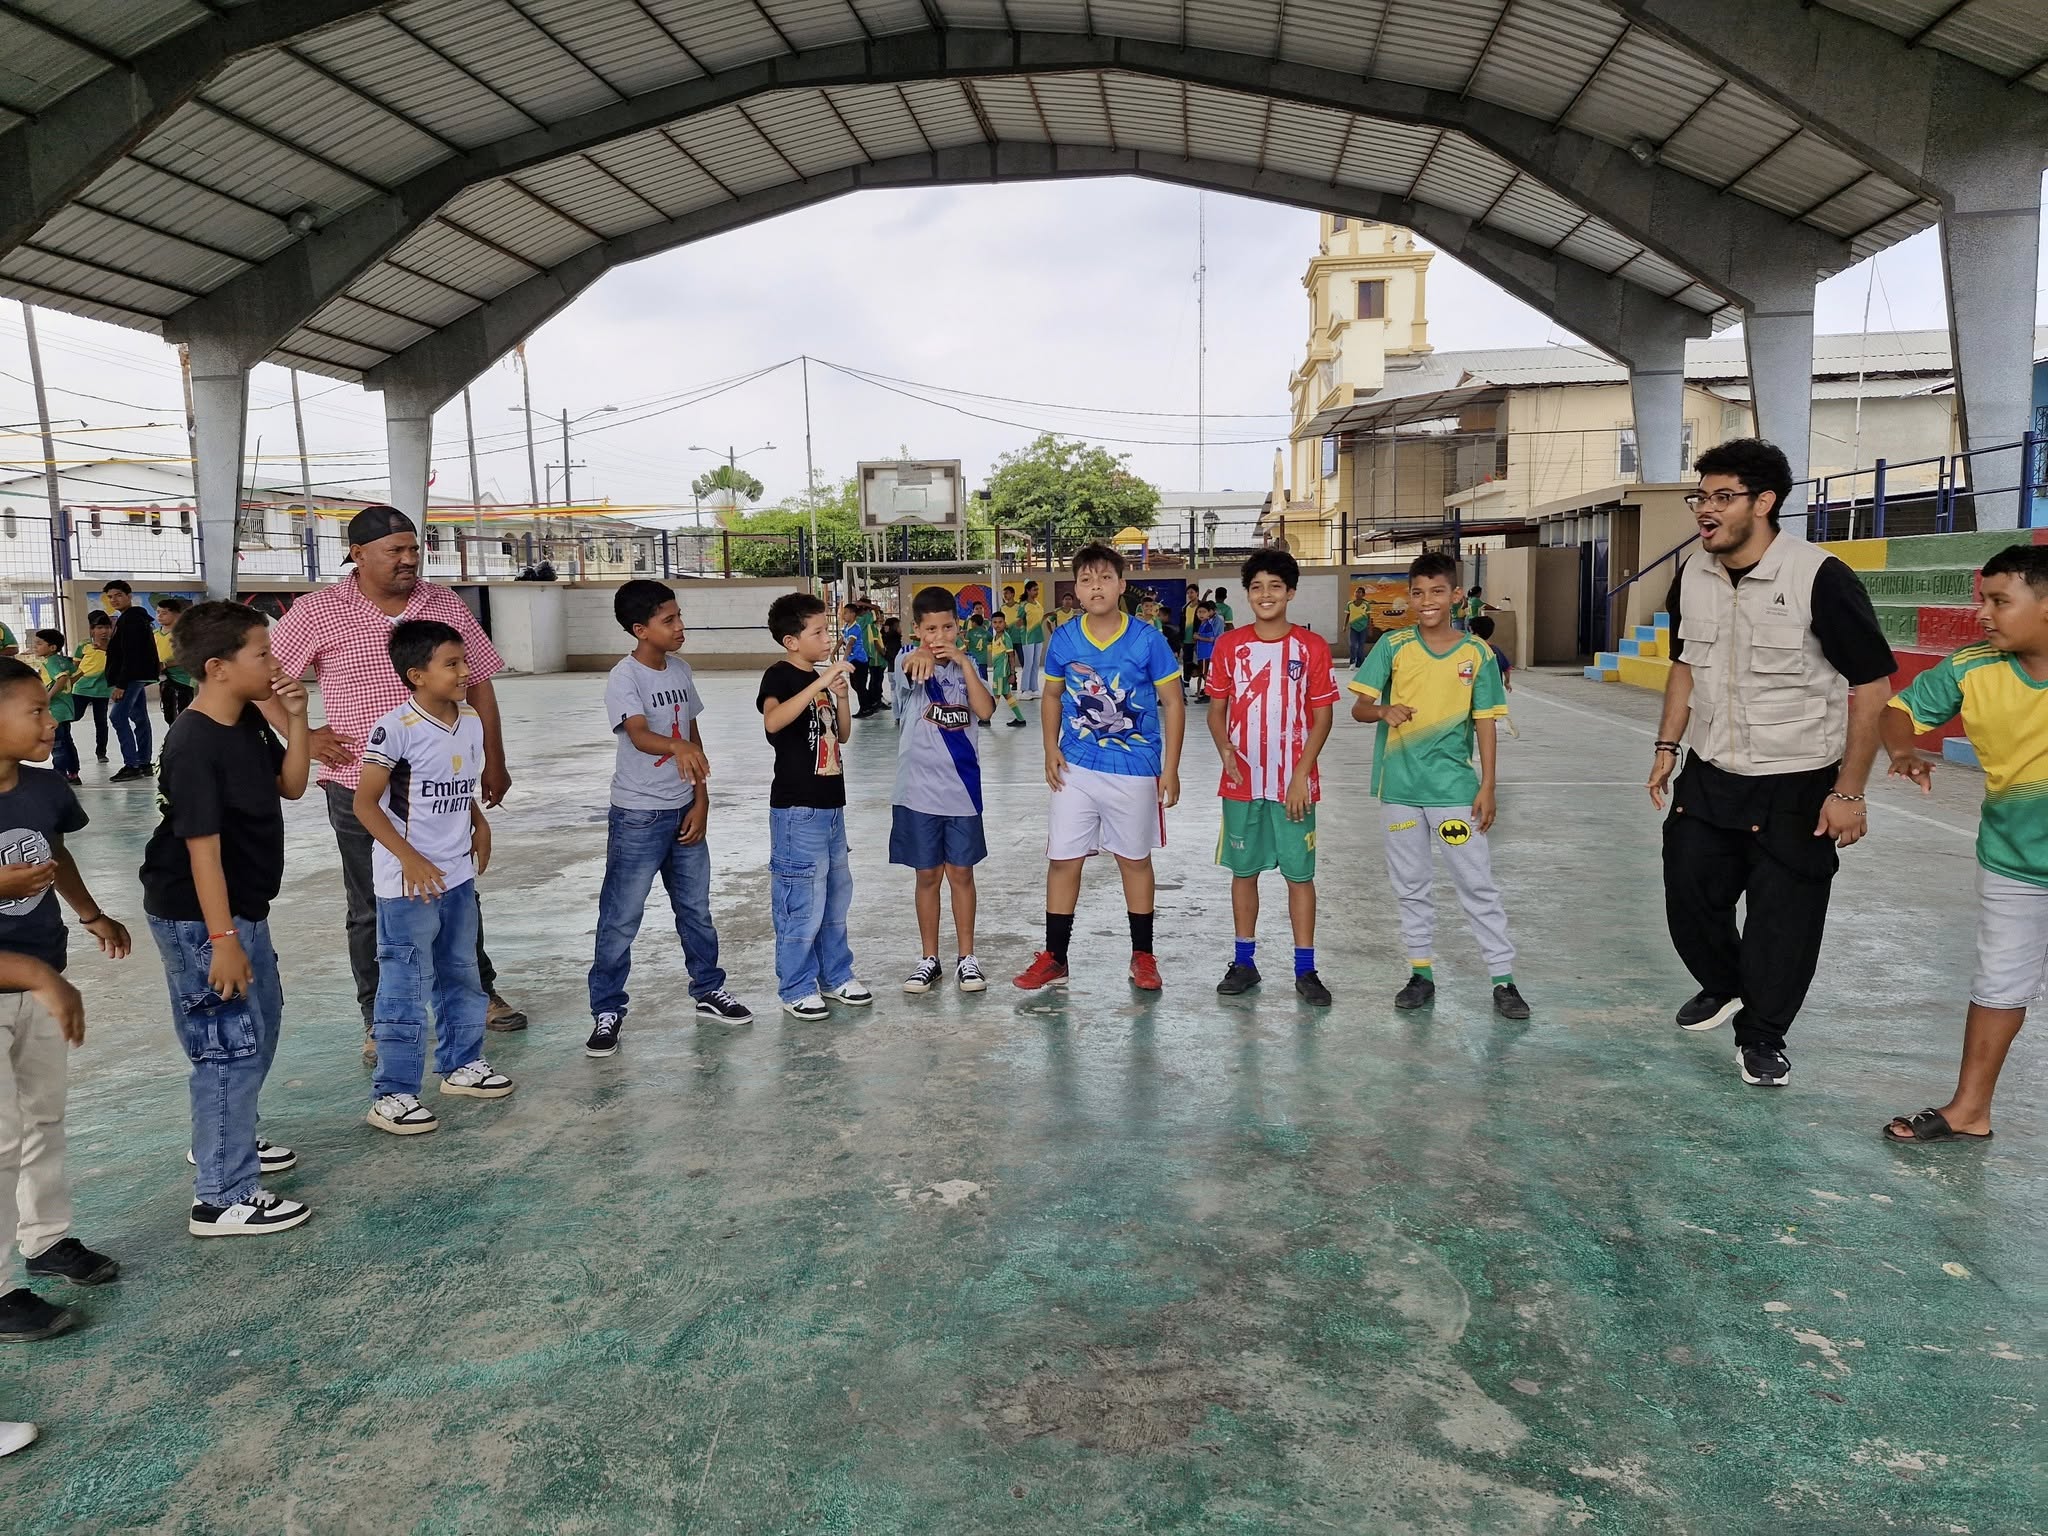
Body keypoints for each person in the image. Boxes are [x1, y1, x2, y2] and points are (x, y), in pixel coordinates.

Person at [1647, 438, 1895, 1088]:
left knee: (1784, 922)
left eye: (1723, 497)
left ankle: (1762, 1037)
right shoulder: (1692, 574)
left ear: (1764, 502)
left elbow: (1871, 688)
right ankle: (1726, 983)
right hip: (1711, 773)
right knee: (1688, 891)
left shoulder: (1819, 577)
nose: (1706, 510)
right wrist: (1667, 747)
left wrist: (1850, 791)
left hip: (1798, 781)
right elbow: (1684, 665)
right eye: (1701, 497)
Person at [267, 506, 527, 1060]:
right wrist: (304, 736)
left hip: (441, 783)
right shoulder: (317, 611)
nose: (409, 560)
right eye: (396, 551)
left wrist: (493, 760)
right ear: (357, 554)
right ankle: (377, 1018)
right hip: (358, 784)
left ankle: (478, 993)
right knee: (371, 904)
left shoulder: (444, 603)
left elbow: (479, 684)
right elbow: (265, 681)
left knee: (457, 889)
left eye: (414, 549)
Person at [139, 601, 313, 1235]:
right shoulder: (193, 743)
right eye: (262, 654)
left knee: (260, 1026)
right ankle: (220, 1195)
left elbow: (291, 786)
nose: (276, 663)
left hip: (242, 908)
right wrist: (222, 940)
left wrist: (297, 719)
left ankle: (226, 1138)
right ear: (217, 668)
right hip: (200, 917)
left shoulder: (245, 720)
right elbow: (201, 852)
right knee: (226, 1047)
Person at [1878, 544, 2048, 1143]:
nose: (1983, 614)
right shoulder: (1971, 667)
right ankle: (1970, 1110)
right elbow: (1899, 710)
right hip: (2013, 860)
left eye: (2000, 601)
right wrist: (1904, 750)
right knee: (1998, 985)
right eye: (1982, 600)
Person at [0, 655, 130, 1342]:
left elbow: (56, 855)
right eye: (34, 710)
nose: (52, 721)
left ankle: (46, 1238)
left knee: (42, 1118)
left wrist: (90, 914)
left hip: (43, 973)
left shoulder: (44, 788)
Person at [1351, 551, 1529, 1021]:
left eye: (1436, 592)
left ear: (1455, 596)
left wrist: (1488, 785)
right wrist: (1383, 710)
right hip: (1400, 791)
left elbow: (1486, 721)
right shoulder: (1393, 646)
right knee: (1411, 885)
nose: (1426, 601)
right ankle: (1421, 973)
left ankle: (1503, 979)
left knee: (1476, 883)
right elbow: (1360, 708)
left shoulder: (1477, 654)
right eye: (1418, 592)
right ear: (1409, 597)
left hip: (1454, 793)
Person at [353, 621, 512, 1136]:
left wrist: (479, 823)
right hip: (408, 884)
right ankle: (392, 1093)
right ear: (416, 675)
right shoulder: (395, 728)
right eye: (452, 664)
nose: (466, 672)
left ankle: (462, 1063)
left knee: (461, 971)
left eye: (465, 661)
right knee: (404, 983)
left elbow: (456, 784)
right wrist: (409, 858)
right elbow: (365, 804)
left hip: (458, 874)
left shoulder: (469, 720)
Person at [585, 581, 752, 1059]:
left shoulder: (680, 669)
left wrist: (701, 799)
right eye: (669, 620)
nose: (680, 627)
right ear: (640, 629)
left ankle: (708, 989)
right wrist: (677, 746)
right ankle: (607, 1009)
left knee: (696, 910)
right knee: (621, 917)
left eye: (680, 617)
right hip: (638, 816)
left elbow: (692, 736)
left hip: (684, 810)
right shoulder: (625, 677)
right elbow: (639, 735)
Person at [1015, 543, 1186, 992]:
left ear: (1121, 585)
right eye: (1087, 580)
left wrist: (1171, 768)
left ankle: (1143, 956)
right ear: (1075, 589)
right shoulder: (1065, 638)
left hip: (1135, 767)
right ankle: (1055, 957)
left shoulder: (1147, 638)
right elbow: (1052, 695)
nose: (1096, 587)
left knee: (1134, 860)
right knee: (1063, 859)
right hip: (1076, 767)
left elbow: (1173, 702)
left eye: (1105, 578)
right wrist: (1049, 748)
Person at [1207, 550, 1338, 1006]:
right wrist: (1225, 748)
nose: (1266, 595)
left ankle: (1306, 969)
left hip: (1294, 787)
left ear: (1291, 592)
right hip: (1242, 783)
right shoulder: (1229, 646)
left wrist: (1301, 774)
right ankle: (1244, 962)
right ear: (1247, 593)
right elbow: (1217, 711)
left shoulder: (1311, 647)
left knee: (1299, 876)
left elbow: (1322, 717)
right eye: (1257, 587)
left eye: (1275, 586)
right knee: (1244, 873)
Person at [758, 594, 870, 1021]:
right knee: (801, 901)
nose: (827, 638)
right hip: (796, 811)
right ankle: (796, 986)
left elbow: (842, 735)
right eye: (818, 632)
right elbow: (773, 722)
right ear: (791, 641)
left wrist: (840, 696)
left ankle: (835, 974)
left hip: (831, 806)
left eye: (827, 630)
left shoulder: (820, 679)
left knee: (835, 897)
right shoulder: (780, 676)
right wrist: (820, 682)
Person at [892, 586, 996, 993]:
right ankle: (928, 958)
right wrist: (918, 655)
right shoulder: (907, 660)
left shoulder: (969, 667)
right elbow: (908, 667)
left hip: (962, 790)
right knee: (927, 875)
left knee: (962, 874)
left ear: (958, 627)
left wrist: (965, 664)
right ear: (917, 630)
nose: (940, 636)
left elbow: (984, 710)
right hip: (918, 792)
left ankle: (967, 958)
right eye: (931, 629)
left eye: (947, 627)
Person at [100, 579, 159, 781]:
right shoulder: (131, 618)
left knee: (117, 717)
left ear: (129, 596)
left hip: (132, 676)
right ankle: (144, 762)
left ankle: (132, 765)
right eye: (110, 597)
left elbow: (131, 654)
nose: (114, 600)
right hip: (137, 675)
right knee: (140, 717)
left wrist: (121, 684)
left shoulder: (131, 619)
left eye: (118, 595)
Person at [29, 632, 78, 785]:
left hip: (55, 710)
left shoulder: (50, 662)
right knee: (67, 742)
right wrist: (66, 690)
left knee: (57, 744)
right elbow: (77, 673)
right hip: (66, 708)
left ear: (52, 647)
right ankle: (73, 773)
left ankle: (60, 774)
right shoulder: (62, 660)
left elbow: (62, 678)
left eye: (39, 644)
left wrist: (48, 696)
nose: (35, 647)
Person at [70, 614, 111, 765]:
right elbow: (74, 666)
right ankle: (63, 742)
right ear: (92, 630)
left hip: (103, 690)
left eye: (107, 627)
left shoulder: (114, 646)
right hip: (81, 688)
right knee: (74, 715)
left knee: (101, 722)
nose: (104, 631)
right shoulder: (84, 645)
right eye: (99, 627)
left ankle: (101, 752)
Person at [154, 596, 196, 724]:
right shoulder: (154, 634)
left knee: (182, 715)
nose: (159, 616)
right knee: (169, 715)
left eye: (164, 613)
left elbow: (190, 656)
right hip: (164, 680)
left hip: (183, 680)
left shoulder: (184, 634)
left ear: (177, 614)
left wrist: (166, 664)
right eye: (158, 612)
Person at [985, 610, 1028, 729]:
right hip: (998, 671)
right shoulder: (995, 638)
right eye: (995, 622)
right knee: (1007, 695)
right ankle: (1020, 719)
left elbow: (1011, 656)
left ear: (1004, 623)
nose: (997, 625)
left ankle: (986, 718)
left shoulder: (1006, 637)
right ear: (992, 624)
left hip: (1001, 673)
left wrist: (1012, 673)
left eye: (1000, 622)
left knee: (996, 696)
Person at [1014, 580, 1047, 698]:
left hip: (1038, 636)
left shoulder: (1038, 604)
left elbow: (1039, 619)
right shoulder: (1023, 605)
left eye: (1037, 589)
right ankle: (1024, 690)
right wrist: (1020, 623)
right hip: (1028, 637)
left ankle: (1034, 688)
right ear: (1028, 591)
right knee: (1028, 663)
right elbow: (1018, 622)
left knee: (1036, 663)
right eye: (1034, 590)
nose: (1037, 592)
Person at [1470, 614, 1513, 692]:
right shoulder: (1495, 649)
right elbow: (1506, 668)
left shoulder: (1472, 650)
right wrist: (1507, 682)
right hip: (1495, 690)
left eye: (1470, 631)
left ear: (1476, 633)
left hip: (1480, 691)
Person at [1192, 602, 1225, 694]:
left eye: (1204, 612)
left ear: (1209, 612)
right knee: (1203, 673)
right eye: (1199, 612)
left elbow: (1211, 639)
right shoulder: (1202, 624)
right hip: (1202, 653)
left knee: (1205, 674)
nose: (1201, 614)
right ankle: (1205, 691)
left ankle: (1209, 693)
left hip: (1207, 653)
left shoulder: (1210, 624)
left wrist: (1198, 637)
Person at [1347, 585, 1374, 669]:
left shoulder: (1366, 604)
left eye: (1359, 592)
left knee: (1361, 645)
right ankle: (1352, 662)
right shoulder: (1350, 604)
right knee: (1352, 645)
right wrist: (1344, 626)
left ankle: (1360, 663)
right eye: (1356, 592)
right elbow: (1347, 615)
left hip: (1363, 628)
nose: (1357, 594)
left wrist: (1369, 628)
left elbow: (1369, 617)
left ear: (1363, 594)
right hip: (1353, 627)